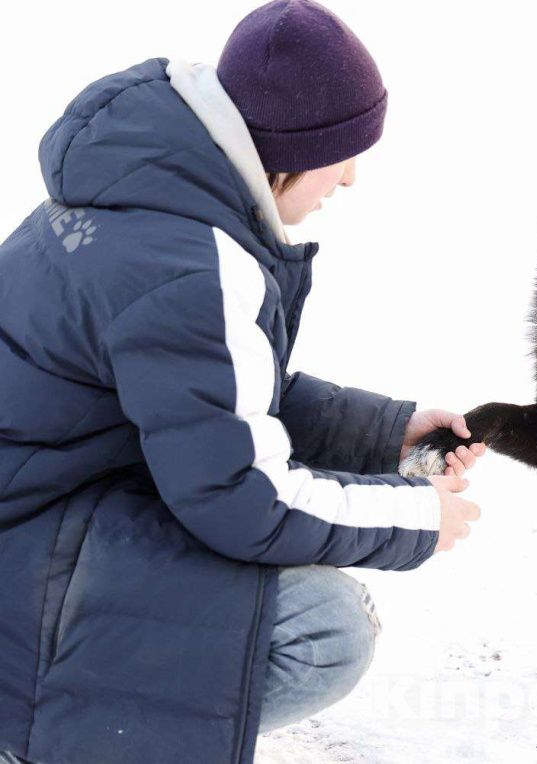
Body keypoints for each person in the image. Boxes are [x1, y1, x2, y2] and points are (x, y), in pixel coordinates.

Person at [0, 2, 484, 763]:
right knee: (322, 630)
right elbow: (241, 499)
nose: (351, 178)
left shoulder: (135, 190)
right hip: (25, 568)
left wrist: (381, 432)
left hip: (41, 515)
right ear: (290, 147)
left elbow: (201, 393)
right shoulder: (192, 262)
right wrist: (416, 517)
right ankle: (58, 737)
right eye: (344, 153)